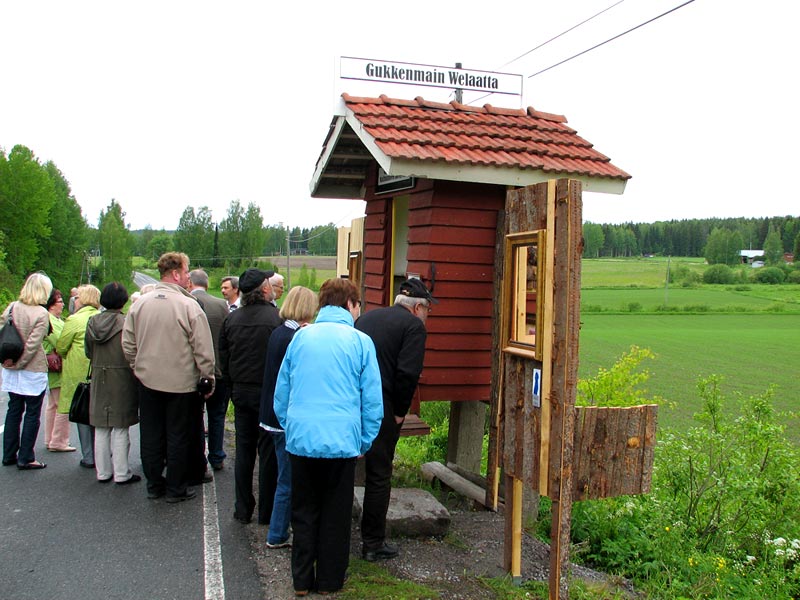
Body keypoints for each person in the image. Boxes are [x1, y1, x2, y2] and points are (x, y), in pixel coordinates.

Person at [274, 278, 383, 596]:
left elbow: (282, 392)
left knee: (303, 510)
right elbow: (371, 400)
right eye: (358, 305)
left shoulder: (300, 337)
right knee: (336, 513)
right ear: (350, 304)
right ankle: (329, 580)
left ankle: (301, 580)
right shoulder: (361, 342)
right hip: (342, 440)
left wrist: (291, 426)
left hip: (302, 438)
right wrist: (364, 440)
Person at [122, 252, 215, 503]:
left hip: (147, 380)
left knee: (151, 434)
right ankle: (176, 487)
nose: (187, 277)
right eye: (185, 272)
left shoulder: (139, 304)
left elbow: (128, 342)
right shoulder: (189, 306)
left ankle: (154, 484)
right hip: (181, 383)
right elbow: (203, 349)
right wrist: (207, 377)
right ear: (175, 274)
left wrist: (137, 366)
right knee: (178, 436)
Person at [354, 278, 434, 561]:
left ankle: (335, 535)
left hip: (354, 403)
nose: (427, 315)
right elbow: (407, 373)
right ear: (418, 308)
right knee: (379, 474)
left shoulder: (367, 318)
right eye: (428, 309)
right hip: (384, 406)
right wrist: (401, 411)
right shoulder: (414, 327)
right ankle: (372, 543)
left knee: (344, 468)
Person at [219, 268, 281, 524]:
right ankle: (267, 512)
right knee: (268, 453)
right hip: (269, 393)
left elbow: (224, 358)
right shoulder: (276, 318)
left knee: (244, 451)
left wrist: (232, 386)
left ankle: (242, 508)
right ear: (265, 289)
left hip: (242, 392)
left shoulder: (231, 320)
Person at [259, 285, 318, 549]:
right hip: (283, 420)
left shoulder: (279, 332)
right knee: (288, 480)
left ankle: (280, 526)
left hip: (270, 415)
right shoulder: (295, 338)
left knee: (284, 476)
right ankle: (277, 533)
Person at [85, 282, 140, 484]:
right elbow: (132, 350)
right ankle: (122, 472)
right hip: (122, 375)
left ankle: (103, 472)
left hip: (99, 374)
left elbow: (88, 351)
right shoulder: (126, 322)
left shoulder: (92, 322)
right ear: (123, 301)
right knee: (121, 425)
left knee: (101, 426)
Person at [1, 272, 54, 470]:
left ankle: (8, 454)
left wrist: (9, 362)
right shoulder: (41, 313)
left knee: (14, 409)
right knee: (32, 412)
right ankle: (26, 457)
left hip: (10, 366)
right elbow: (32, 345)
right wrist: (20, 363)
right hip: (32, 368)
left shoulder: (12, 307)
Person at [188, 269, 229, 471]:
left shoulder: (186, 303)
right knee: (217, 416)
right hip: (218, 368)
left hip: (192, 371)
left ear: (190, 283)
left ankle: (197, 458)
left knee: (194, 417)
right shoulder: (221, 305)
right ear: (207, 283)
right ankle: (216, 455)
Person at [56, 284, 101, 469]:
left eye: (77, 297)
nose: (74, 300)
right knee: (98, 414)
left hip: (78, 373)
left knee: (82, 413)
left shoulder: (74, 320)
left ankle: (88, 456)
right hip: (99, 371)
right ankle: (102, 453)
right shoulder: (100, 317)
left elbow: (61, 346)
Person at [42, 288, 74, 452]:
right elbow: (60, 341)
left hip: (54, 366)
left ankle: (50, 439)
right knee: (62, 403)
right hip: (57, 365)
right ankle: (59, 441)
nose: (63, 304)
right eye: (60, 301)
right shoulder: (50, 320)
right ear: (51, 304)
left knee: (53, 404)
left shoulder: (55, 319)